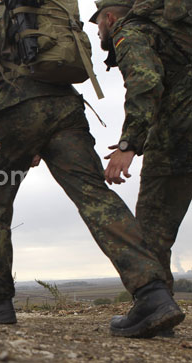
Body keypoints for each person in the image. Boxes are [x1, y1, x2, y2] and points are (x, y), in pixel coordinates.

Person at [0, 0, 183, 337]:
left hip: (15, 114)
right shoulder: (47, 11)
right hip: (66, 111)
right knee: (95, 197)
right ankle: (152, 292)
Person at [91, 0, 192, 290]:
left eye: (97, 24)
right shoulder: (176, 31)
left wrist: (128, 145)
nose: (98, 32)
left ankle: (156, 306)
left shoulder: (130, 33)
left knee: (151, 232)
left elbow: (145, 83)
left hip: (178, 138)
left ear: (109, 18)